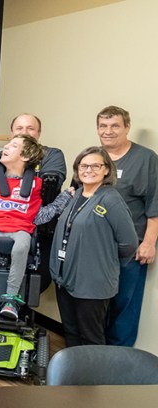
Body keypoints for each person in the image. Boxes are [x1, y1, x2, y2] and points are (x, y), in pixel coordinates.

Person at [0, 135, 70, 320]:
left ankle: (11, 299)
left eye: (13, 145)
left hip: (19, 228)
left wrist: (65, 197)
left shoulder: (35, 185)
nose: (6, 147)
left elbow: (40, 216)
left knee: (22, 245)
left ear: (25, 156)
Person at [52, 147, 138, 347]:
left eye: (95, 166)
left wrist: (102, 259)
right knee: (71, 332)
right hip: (66, 279)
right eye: (83, 166)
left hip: (92, 284)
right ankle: (74, 368)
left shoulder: (110, 199)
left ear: (106, 169)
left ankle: (94, 370)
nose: (88, 170)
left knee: (91, 338)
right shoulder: (77, 194)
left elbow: (129, 243)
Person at [96, 106, 158, 346]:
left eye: (115, 126)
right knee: (94, 306)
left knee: (124, 307)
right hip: (94, 247)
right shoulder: (93, 157)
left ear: (127, 127)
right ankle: (90, 357)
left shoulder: (146, 159)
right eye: (103, 126)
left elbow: (155, 204)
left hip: (130, 248)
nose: (108, 131)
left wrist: (149, 243)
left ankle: (117, 360)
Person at [10, 114, 66, 296]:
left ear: (39, 132)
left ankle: (19, 308)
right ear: (12, 133)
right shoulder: (0, 157)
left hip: (40, 229)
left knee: (39, 280)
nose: (25, 132)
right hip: (5, 228)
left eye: (30, 128)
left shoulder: (52, 155)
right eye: (19, 128)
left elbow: (49, 188)